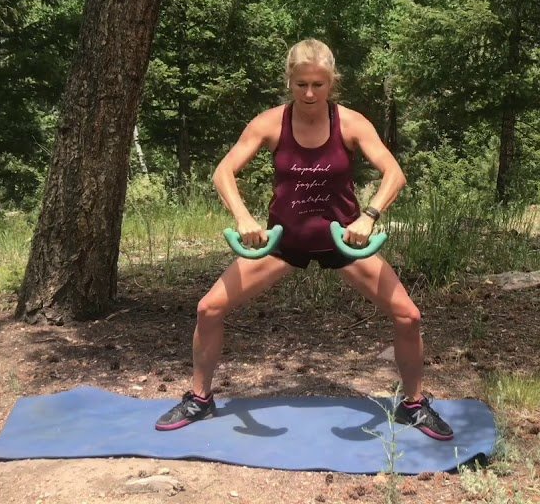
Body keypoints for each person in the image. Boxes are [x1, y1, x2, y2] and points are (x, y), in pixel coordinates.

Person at [155, 39, 453, 440]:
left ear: (331, 82)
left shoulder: (351, 123)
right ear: (289, 81)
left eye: (318, 84)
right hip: (284, 241)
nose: (310, 93)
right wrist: (243, 217)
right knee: (208, 309)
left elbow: (394, 173)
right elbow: (223, 172)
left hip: (343, 242)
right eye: (301, 84)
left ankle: (413, 405)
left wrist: (368, 216)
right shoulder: (268, 123)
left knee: (408, 316)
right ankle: (199, 399)